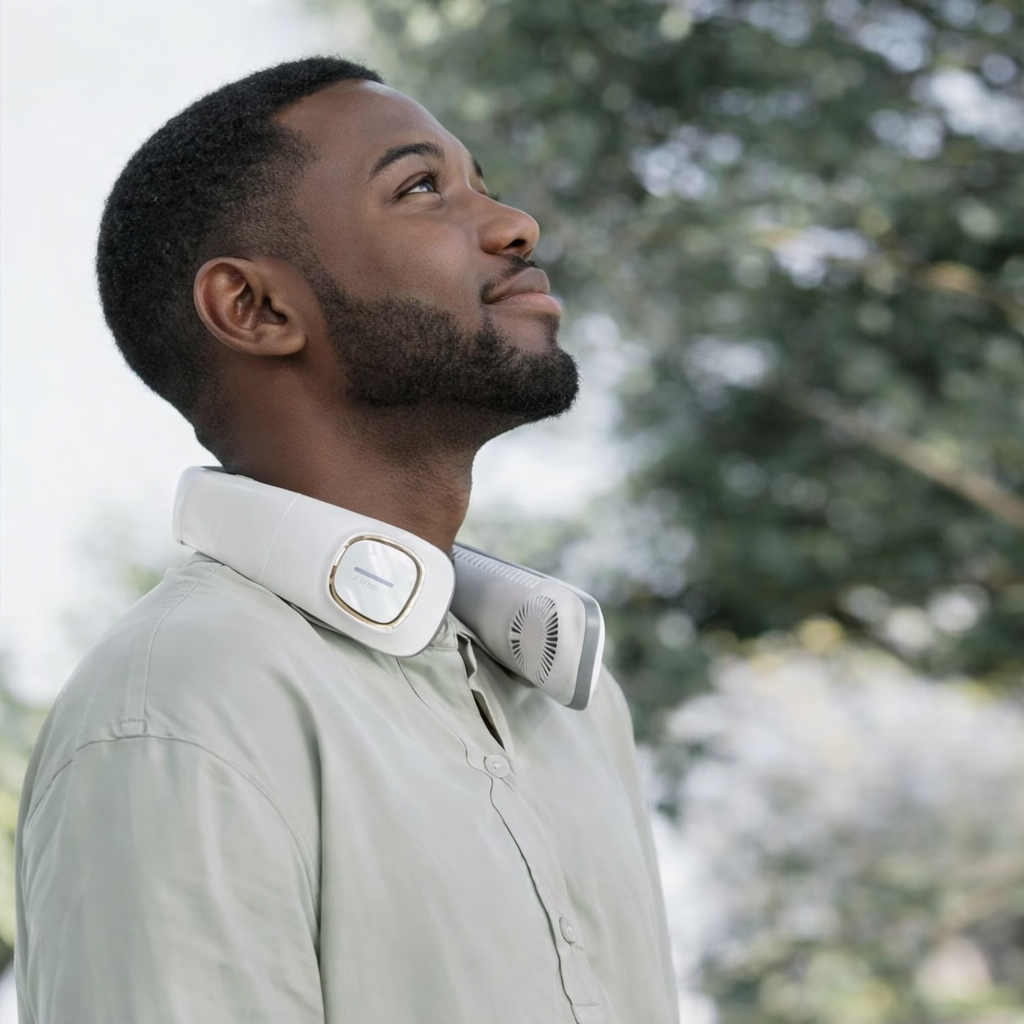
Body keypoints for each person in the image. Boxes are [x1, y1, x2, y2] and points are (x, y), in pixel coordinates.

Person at [14, 56, 679, 1024]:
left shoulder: (571, 703)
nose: (514, 224)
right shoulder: (179, 704)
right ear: (256, 309)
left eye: (482, 183)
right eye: (421, 188)